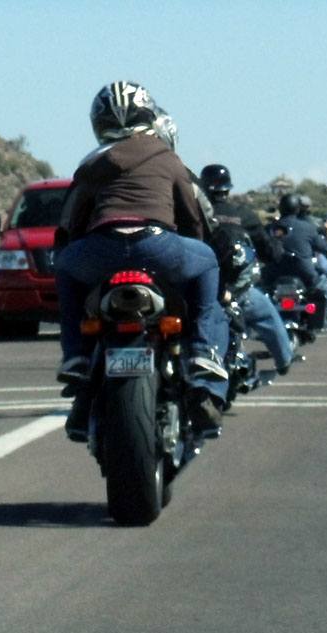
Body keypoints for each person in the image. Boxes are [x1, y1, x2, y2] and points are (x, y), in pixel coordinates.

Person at [55, 81, 228, 436]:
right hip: (157, 246)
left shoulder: (93, 162)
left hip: (103, 247)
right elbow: (194, 218)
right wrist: (188, 250)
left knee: (65, 267)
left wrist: (79, 251)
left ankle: (76, 355)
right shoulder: (167, 157)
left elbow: (73, 222)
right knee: (208, 260)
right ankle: (202, 351)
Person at [199, 163, 295, 374]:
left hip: (201, 290)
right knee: (268, 316)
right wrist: (277, 247)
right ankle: (284, 361)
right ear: (227, 190)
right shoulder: (244, 215)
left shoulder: (192, 214)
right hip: (237, 293)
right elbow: (269, 250)